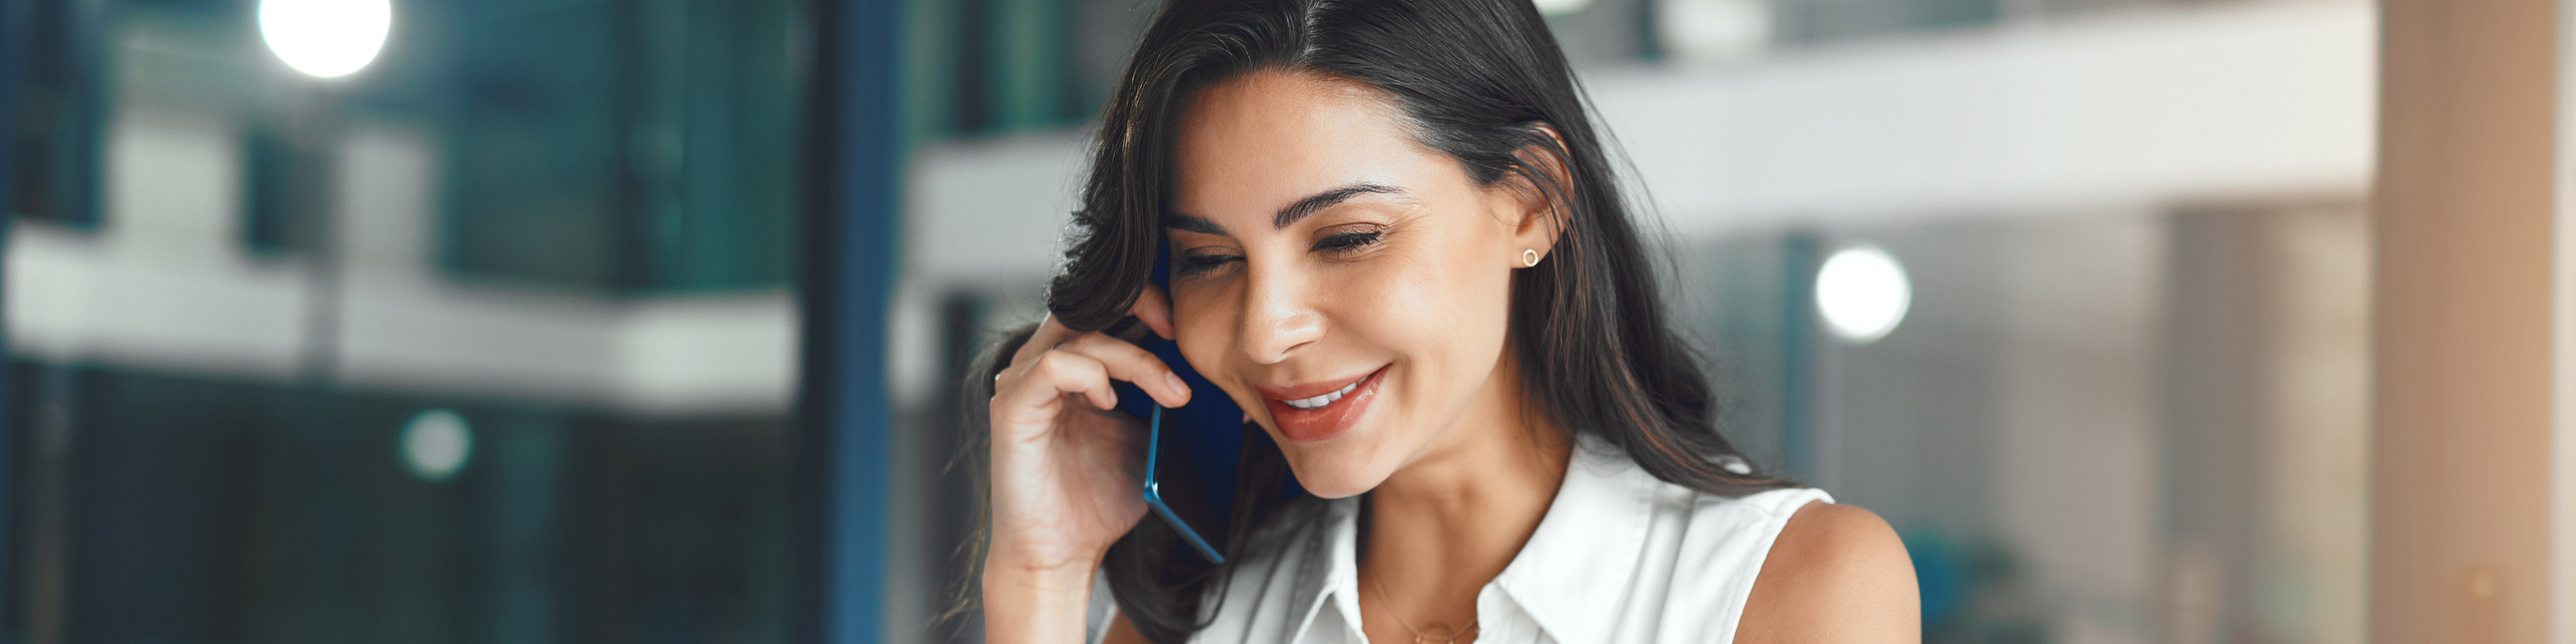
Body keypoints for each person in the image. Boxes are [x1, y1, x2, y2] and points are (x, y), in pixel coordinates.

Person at [975, 1, 1920, 642]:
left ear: (1532, 202)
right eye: (1210, 261)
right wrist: (1042, 580)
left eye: (1346, 237)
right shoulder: (1203, 615)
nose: (1266, 334)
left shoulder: (1787, 589)